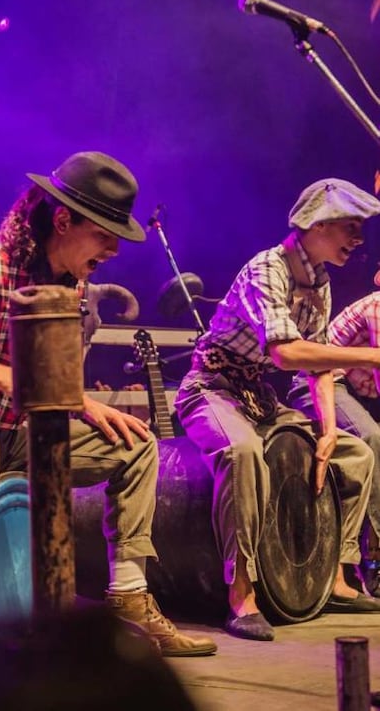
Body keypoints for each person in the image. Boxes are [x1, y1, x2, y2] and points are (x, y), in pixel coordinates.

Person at [0, 150, 217, 657]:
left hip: (15, 439)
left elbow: (48, 379)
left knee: (135, 443)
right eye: (104, 233)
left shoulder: (71, 288)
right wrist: (4, 377)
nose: (113, 249)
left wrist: (81, 403)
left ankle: (128, 593)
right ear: (63, 220)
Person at [175, 178, 380, 642]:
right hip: (211, 388)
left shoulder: (320, 281)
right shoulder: (269, 268)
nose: (358, 240)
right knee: (242, 452)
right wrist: (369, 355)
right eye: (351, 227)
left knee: (356, 454)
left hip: (259, 397)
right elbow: (287, 353)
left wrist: (328, 429)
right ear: (319, 225)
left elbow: (320, 363)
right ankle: (241, 590)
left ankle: (337, 579)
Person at [288, 276, 380, 596]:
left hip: (356, 393)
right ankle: (373, 559)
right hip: (318, 384)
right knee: (371, 438)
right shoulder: (378, 307)